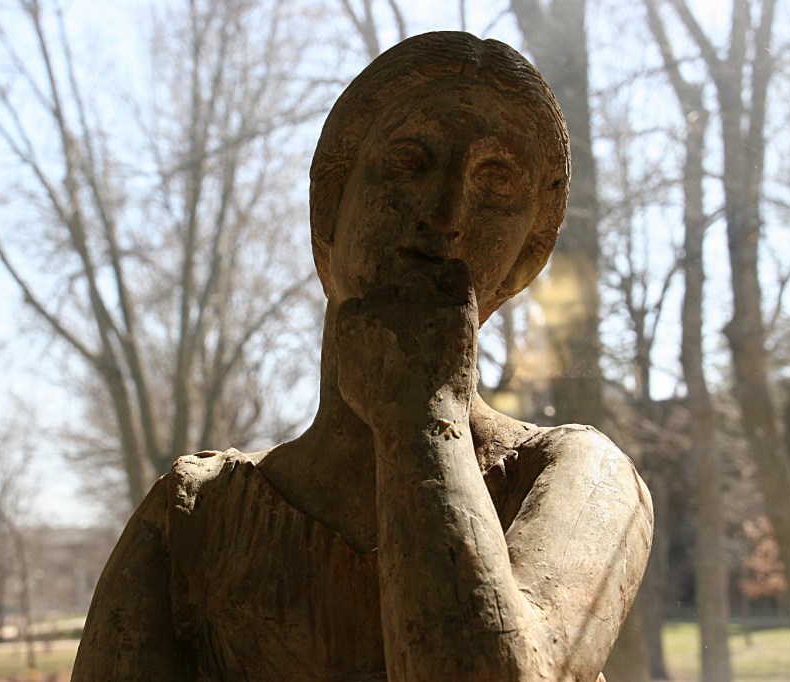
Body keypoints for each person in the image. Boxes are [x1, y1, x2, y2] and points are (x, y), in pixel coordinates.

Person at [73, 31, 652, 682]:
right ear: (330, 202)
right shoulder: (195, 518)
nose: (446, 214)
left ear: (529, 253)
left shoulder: (581, 479)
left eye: (496, 180)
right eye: (409, 160)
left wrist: (421, 416)